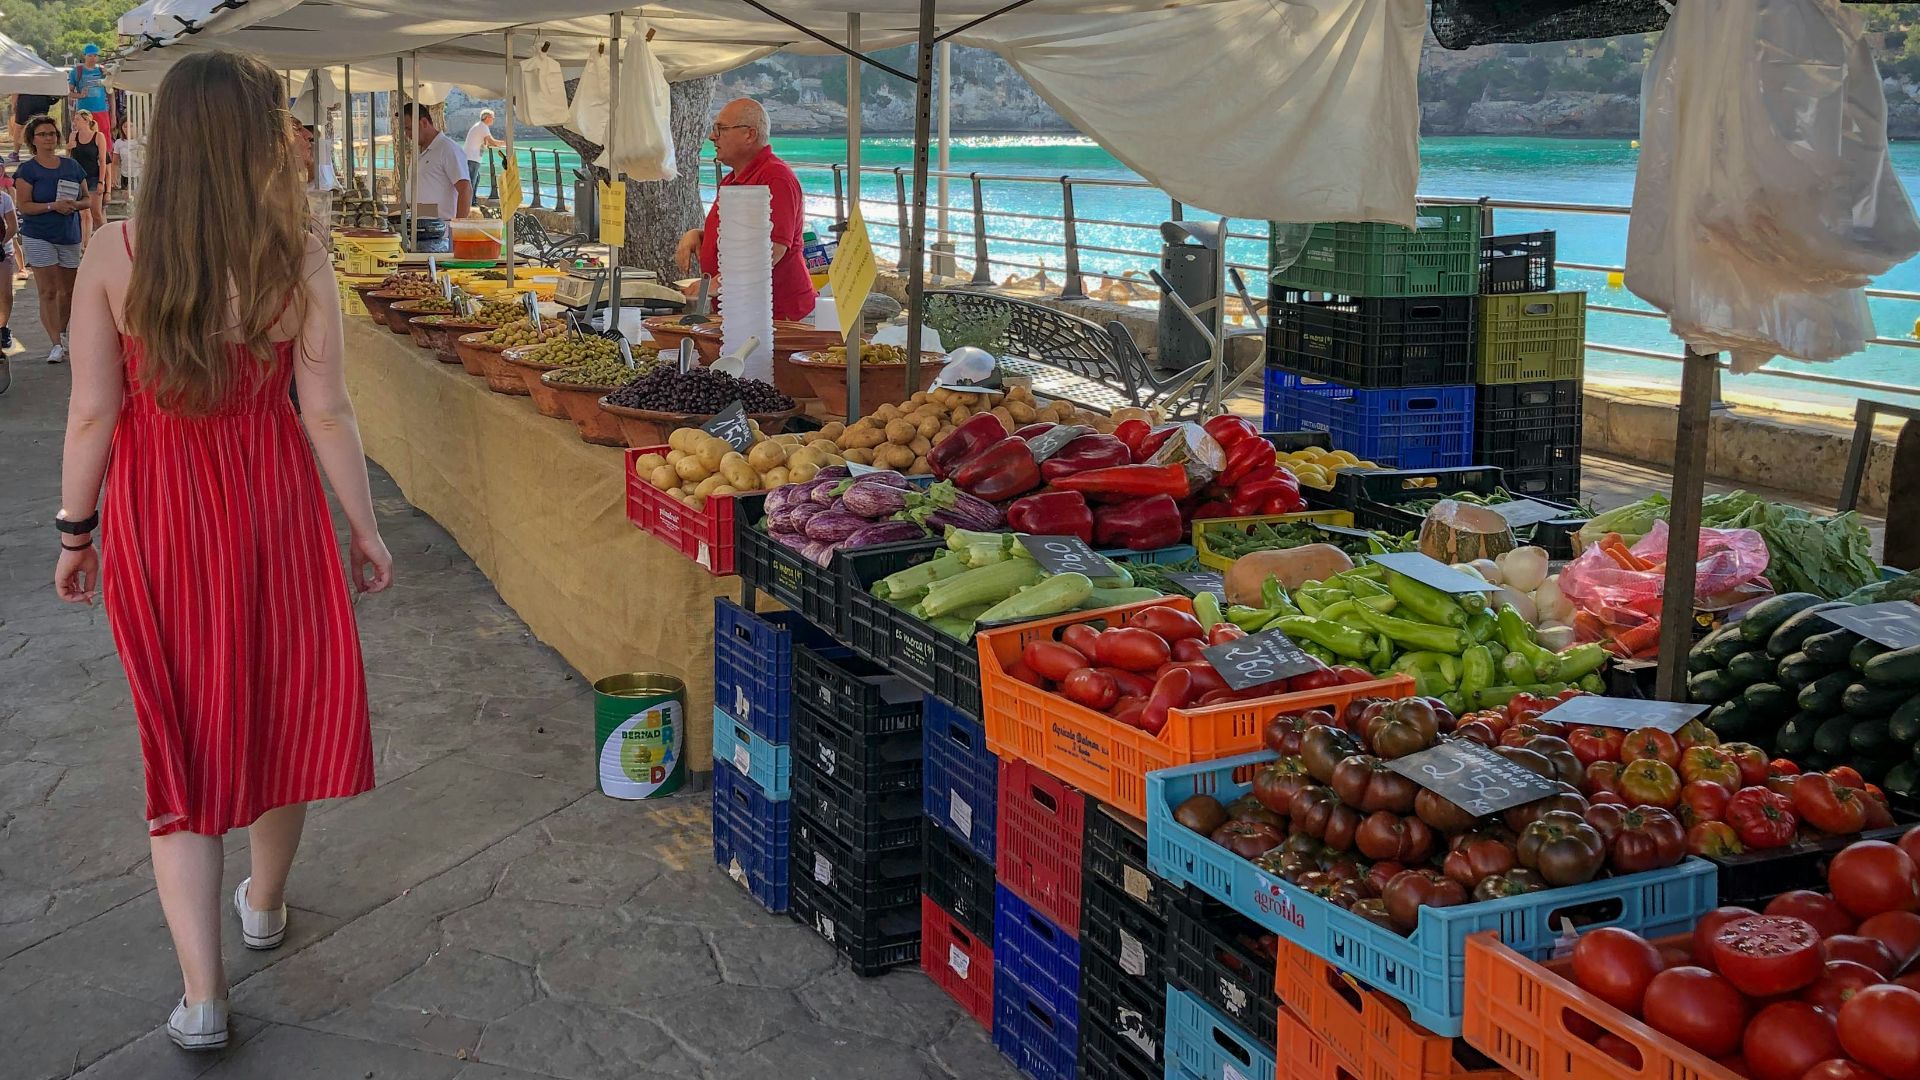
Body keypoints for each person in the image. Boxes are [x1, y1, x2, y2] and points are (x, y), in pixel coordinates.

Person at [52, 48, 388, 1053]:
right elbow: (326, 414)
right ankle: (265, 903)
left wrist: (77, 534)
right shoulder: (298, 259)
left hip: (161, 519)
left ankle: (203, 998)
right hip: (274, 509)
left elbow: (90, 415)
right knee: (280, 708)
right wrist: (364, 530)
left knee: (183, 735)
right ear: (256, 142)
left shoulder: (113, 254)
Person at [674, 98, 816, 321]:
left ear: (749, 134)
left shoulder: (775, 177)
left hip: (778, 315)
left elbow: (772, 250)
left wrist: (714, 285)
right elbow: (740, 237)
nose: (713, 137)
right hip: (742, 312)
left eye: (721, 129)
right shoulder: (732, 180)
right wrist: (699, 235)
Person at [14, 114, 86, 363]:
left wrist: (74, 204)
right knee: (48, 291)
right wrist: (51, 206)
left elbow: (88, 199)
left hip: (68, 233)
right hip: (39, 234)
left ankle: (63, 331)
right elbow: (23, 206)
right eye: (43, 134)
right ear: (33, 140)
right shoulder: (27, 169)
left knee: (68, 290)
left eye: (52, 134)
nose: (49, 138)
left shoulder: (72, 166)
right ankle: (55, 342)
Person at [397, 102, 469, 252]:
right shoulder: (419, 151)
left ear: (423, 122)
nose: (407, 134)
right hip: (420, 231)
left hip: (441, 235)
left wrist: (459, 231)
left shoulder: (448, 149)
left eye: (409, 128)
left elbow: (465, 189)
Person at [68, 110, 112, 242]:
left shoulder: (98, 136)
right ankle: (85, 244)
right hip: (78, 178)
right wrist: (69, 147)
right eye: (74, 120)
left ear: (86, 121)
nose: (75, 123)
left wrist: (101, 182)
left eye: (77, 120)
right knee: (83, 212)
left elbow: (104, 161)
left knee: (96, 213)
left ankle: (106, 240)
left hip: (93, 177)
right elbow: (69, 158)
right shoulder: (73, 136)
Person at [69, 44, 111, 135]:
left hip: (102, 110)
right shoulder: (76, 71)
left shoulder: (103, 71)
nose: (93, 58)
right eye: (90, 55)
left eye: (95, 55)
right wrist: (80, 95)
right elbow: (68, 92)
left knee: (103, 137)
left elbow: (110, 93)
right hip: (84, 113)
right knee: (84, 137)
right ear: (84, 56)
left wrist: (113, 114)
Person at [10, 91, 61, 161]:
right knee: (40, 126)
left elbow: (16, 87)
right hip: (42, 98)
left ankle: (15, 153)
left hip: (26, 98)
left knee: (20, 126)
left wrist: (13, 103)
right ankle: (42, 152)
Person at [462, 108, 504, 187]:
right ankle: (470, 199)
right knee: (471, 183)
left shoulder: (480, 126)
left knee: (476, 180)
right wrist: (506, 143)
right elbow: (493, 142)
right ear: (487, 118)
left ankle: (472, 199)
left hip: (470, 157)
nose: (493, 119)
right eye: (493, 117)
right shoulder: (483, 127)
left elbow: (487, 141)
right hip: (472, 158)